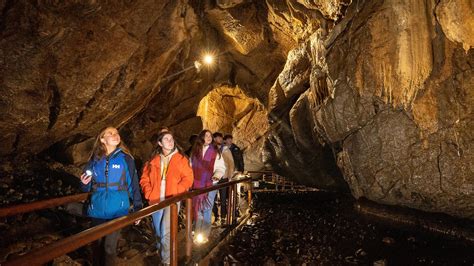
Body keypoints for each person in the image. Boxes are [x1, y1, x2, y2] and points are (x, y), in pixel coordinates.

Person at [80, 127, 142, 266]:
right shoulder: (94, 160)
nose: (115, 135)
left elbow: (133, 184)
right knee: (97, 247)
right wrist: (84, 184)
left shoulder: (126, 159)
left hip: (118, 210)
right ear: (102, 139)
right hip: (97, 209)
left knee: (109, 247)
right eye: (111, 133)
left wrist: (138, 208)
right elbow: (86, 187)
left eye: (117, 133)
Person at [140, 131, 194, 264]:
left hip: (172, 200)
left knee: (166, 232)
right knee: (158, 232)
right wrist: (148, 192)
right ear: (160, 143)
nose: (170, 141)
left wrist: (178, 191)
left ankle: (167, 261)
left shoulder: (181, 159)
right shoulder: (153, 160)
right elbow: (144, 178)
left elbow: (188, 178)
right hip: (156, 200)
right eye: (166, 139)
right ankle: (163, 254)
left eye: (171, 139)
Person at [190, 130, 225, 243]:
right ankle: (197, 232)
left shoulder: (216, 152)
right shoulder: (195, 152)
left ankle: (204, 234)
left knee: (207, 208)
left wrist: (217, 176)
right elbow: (190, 167)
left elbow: (221, 168)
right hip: (197, 185)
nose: (209, 137)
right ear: (201, 138)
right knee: (198, 209)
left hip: (210, 185)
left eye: (210, 136)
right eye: (206, 135)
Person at [212, 132, 234, 226]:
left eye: (221, 138)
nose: (220, 140)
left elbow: (231, 163)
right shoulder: (210, 149)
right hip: (213, 178)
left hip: (224, 177)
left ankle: (223, 217)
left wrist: (230, 176)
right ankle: (216, 216)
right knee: (213, 199)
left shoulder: (226, 150)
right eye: (218, 138)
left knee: (223, 198)